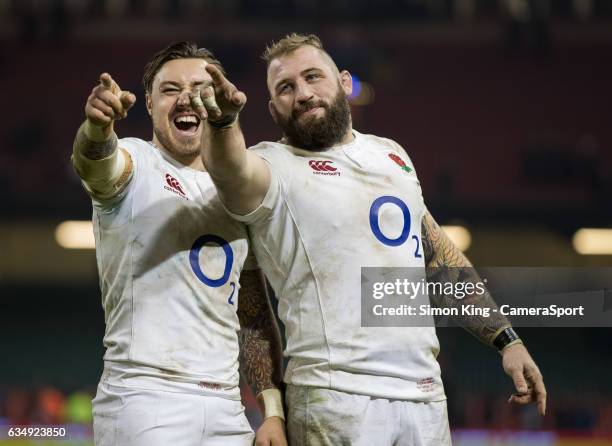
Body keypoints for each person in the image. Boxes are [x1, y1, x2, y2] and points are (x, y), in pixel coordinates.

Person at [197, 33, 547, 445]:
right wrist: (222, 123)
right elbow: (228, 168)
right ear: (273, 108)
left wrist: (507, 339)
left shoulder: (392, 156)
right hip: (335, 397)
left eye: (313, 77)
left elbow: (438, 258)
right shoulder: (270, 167)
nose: (304, 94)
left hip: (424, 397)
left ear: (344, 82)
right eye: (286, 88)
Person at [71, 41, 287, 446]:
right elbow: (96, 163)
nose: (186, 98)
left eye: (200, 88)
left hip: (227, 409)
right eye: (170, 89)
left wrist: (271, 411)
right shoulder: (136, 164)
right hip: (145, 396)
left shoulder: (240, 193)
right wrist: (97, 128)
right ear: (150, 105)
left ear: (219, 99)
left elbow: (252, 313)